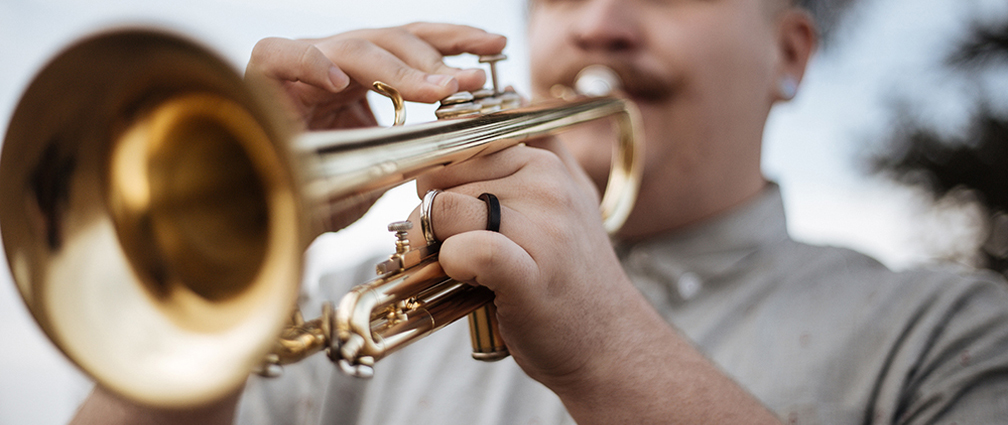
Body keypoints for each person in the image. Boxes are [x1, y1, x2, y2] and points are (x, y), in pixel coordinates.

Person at [71, 0, 1008, 424]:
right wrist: (221, 241)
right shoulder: (354, 294)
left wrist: (612, 352)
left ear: (791, 56)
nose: (596, 22)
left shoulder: (955, 332)